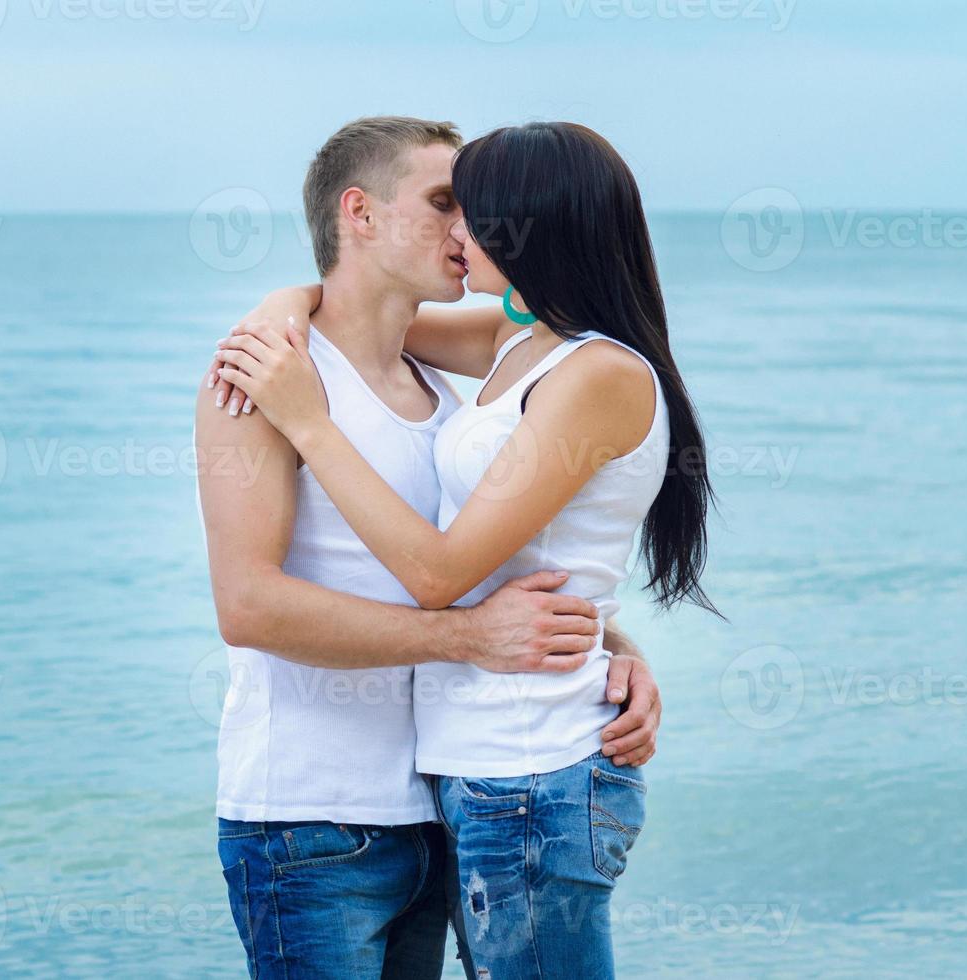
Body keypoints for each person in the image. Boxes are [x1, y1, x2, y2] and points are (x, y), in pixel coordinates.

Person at [211, 121, 713, 979]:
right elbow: (248, 606)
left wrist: (605, 644)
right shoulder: (483, 354)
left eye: (474, 210)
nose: (462, 230)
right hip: (356, 805)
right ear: (360, 213)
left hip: (487, 789)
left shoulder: (531, 376)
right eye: (446, 204)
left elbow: (469, 567)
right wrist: (280, 310)